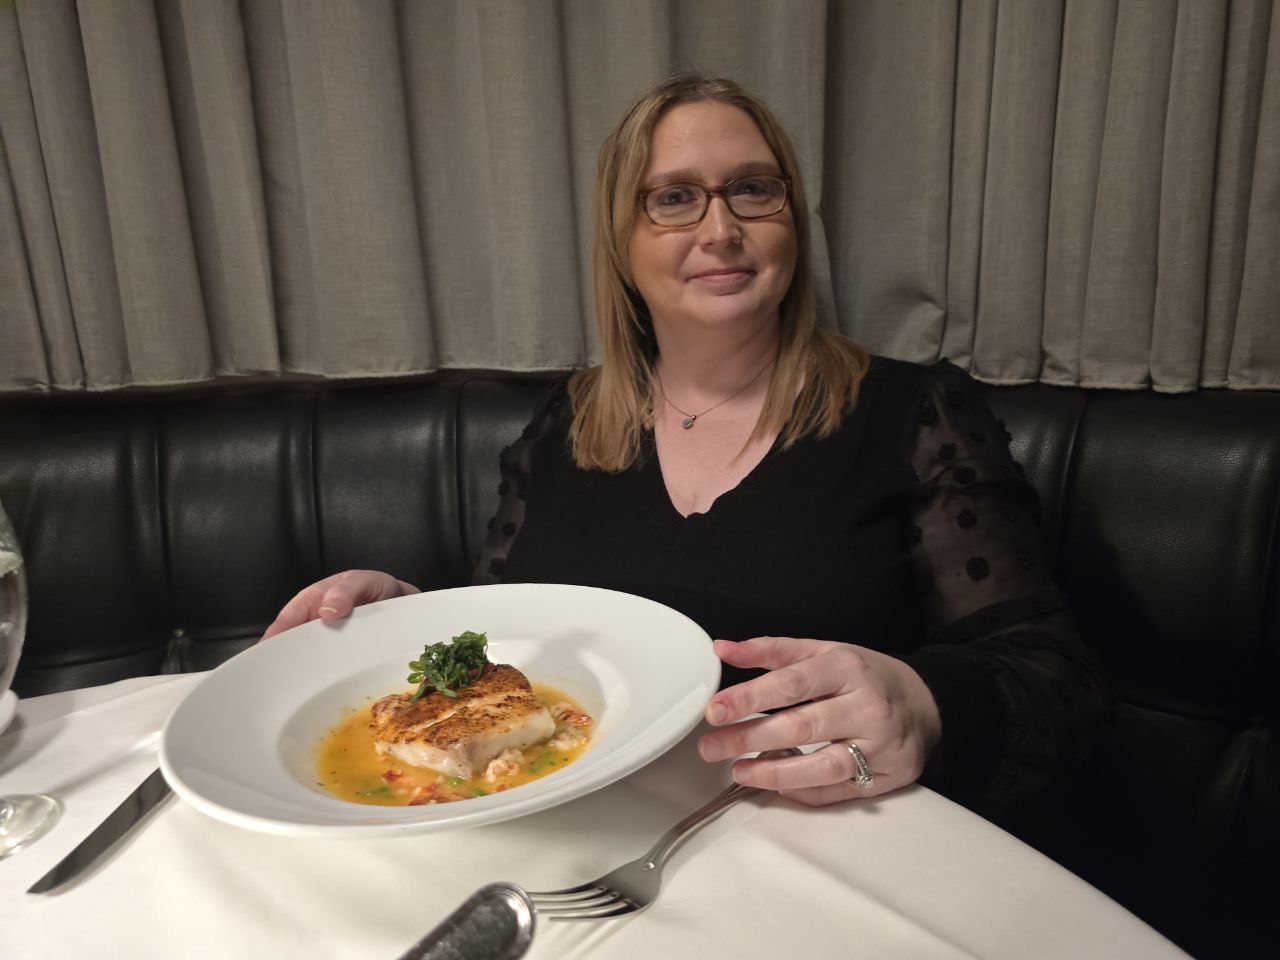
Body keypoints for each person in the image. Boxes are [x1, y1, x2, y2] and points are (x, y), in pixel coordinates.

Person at [263, 75, 1108, 812]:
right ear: (623, 244)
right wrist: (406, 622)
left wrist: (923, 704)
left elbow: (1054, 682)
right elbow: (515, 640)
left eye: (752, 189)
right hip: (583, 846)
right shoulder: (563, 425)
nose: (720, 228)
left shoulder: (917, 412)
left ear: (792, 225)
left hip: (820, 843)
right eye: (673, 198)